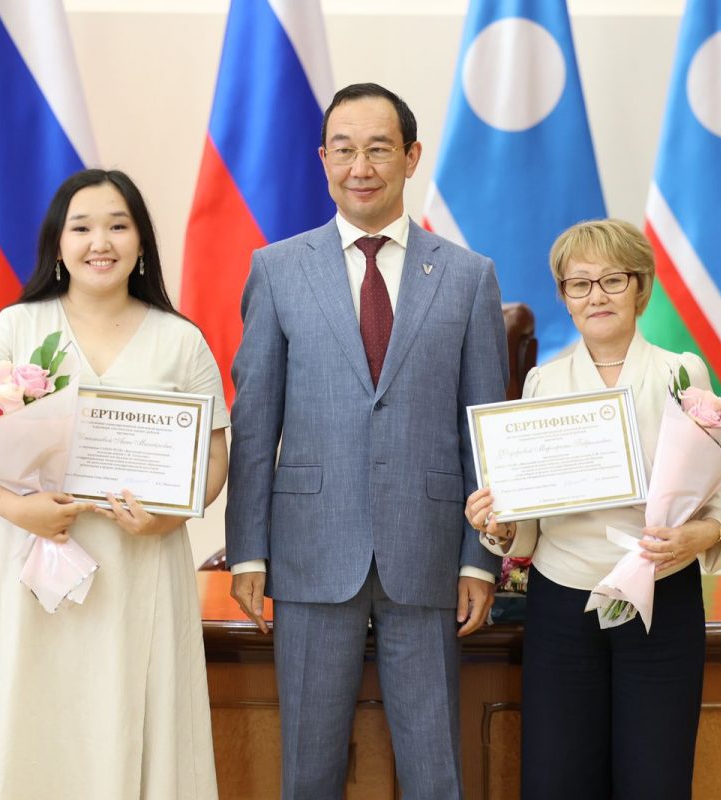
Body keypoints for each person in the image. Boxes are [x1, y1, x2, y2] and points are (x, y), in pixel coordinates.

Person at [226, 83, 508, 799]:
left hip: (431, 549)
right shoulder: (277, 268)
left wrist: (480, 561)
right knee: (309, 767)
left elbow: (483, 425)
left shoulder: (469, 277)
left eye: (379, 148)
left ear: (410, 157)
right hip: (309, 551)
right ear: (323, 159)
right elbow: (256, 421)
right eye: (344, 149)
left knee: (435, 768)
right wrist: (249, 548)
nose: (362, 165)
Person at [0, 169, 229, 799]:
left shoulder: (180, 340)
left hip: (140, 561)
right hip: (35, 560)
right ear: (58, 245)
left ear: (140, 245)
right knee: (34, 722)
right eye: (81, 227)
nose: (98, 241)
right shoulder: (15, 328)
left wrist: (173, 516)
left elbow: (215, 459)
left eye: (117, 225)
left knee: (132, 718)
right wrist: (15, 509)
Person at [465, 219, 721, 799]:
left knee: (655, 779)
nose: (597, 296)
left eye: (612, 280)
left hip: (662, 594)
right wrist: (501, 522)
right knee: (558, 779)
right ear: (563, 297)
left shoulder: (681, 373)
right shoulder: (542, 383)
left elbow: (719, 497)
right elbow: (528, 533)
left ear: (640, 288)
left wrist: (701, 536)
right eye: (579, 284)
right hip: (563, 604)